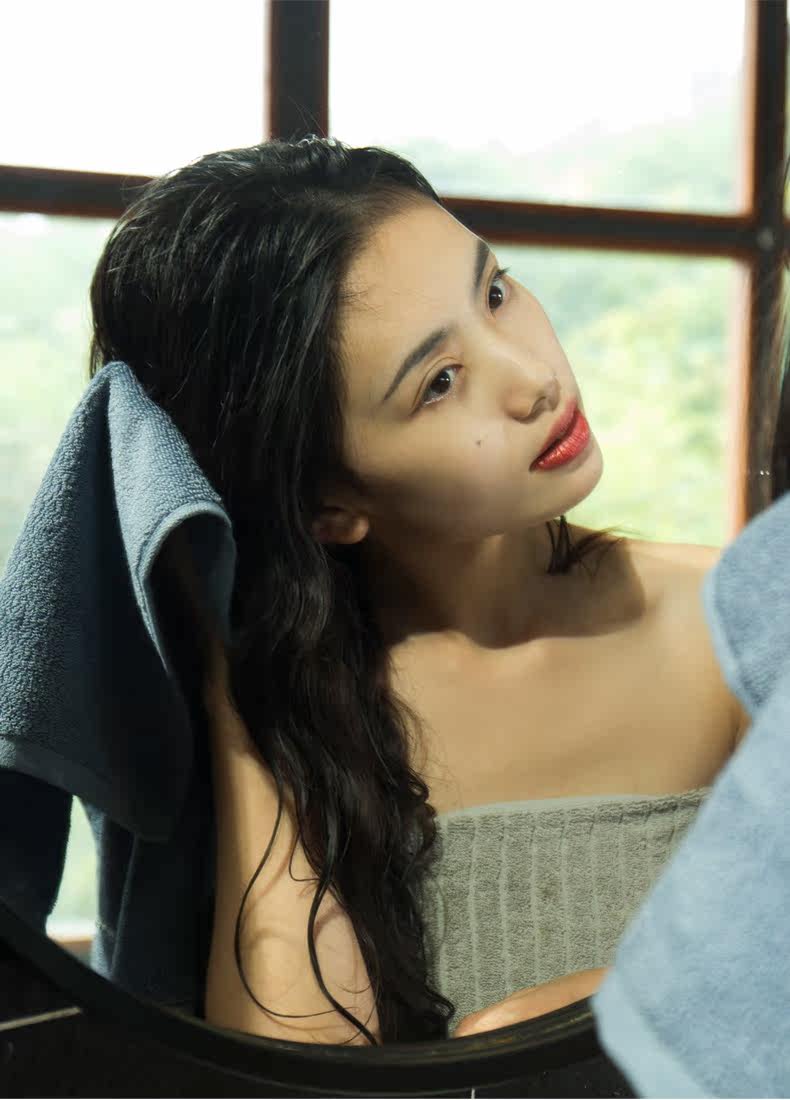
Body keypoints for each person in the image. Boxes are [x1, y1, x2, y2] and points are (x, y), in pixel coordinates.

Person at [87, 137, 748, 1046]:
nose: (533, 379)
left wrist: (556, 1023)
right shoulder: (303, 711)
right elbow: (298, 1080)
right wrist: (234, 685)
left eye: (496, 292)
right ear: (328, 505)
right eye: (440, 382)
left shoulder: (738, 626)